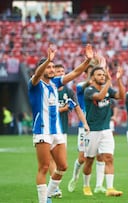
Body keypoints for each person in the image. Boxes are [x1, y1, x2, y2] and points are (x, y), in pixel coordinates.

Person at [28, 44, 94, 203]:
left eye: (52, 67)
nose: (51, 69)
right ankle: (43, 201)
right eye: (48, 67)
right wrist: (47, 60)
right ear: (42, 69)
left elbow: (75, 73)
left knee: (63, 166)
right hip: (42, 130)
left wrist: (88, 61)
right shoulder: (35, 84)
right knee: (44, 167)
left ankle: (48, 195)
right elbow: (37, 74)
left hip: (57, 131)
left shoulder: (55, 83)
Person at [47, 64, 90, 198]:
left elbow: (77, 109)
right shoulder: (47, 88)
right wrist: (64, 109)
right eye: (58, 71)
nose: (60, 73)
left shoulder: (69, 92)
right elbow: (45, 110)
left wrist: (85, 123)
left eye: (62, 72)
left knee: (61, 162)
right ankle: (53, 189)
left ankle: (52, 188)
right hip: (47, 129)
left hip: (62, 129)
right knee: (50, 159)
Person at [82, 65, 125, 197]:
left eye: (103, 75)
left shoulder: (108, 89)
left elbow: (121, 96)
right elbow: (100, 97)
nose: (102, 76)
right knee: (89, 160)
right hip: (92, 131)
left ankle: (110, 188)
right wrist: (108, 82)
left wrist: (118, 80)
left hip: (106, 130)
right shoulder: (88, 90)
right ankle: (86, 185)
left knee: (109, 158)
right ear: (93, 77)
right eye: (99, 75)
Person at [67, 63, 107, 194]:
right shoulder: (80, 87)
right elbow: (86, 87)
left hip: (98, 126)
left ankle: (99, 185)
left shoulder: (99, 88)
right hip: (84, 126)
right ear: (86, 75)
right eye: (90, 73)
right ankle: (75, 177)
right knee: (82, 158)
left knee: (101, 156)